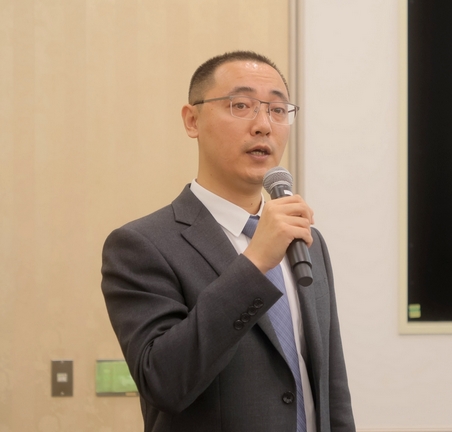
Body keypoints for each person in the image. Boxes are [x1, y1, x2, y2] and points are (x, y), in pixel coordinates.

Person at [101, 51, 355, 432]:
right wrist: (254, 263)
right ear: (192, 120)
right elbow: (163, 382)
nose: (264, 125)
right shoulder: (141, 246)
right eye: (241, 105)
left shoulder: (306, 241)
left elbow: (332, 389)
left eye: (278, 110)